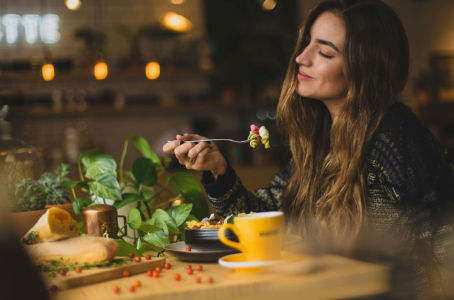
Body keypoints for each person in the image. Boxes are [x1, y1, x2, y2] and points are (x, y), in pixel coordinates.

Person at [163, 0, 454, 298]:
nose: (301, 58)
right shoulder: (320, 138)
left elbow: (446, 241)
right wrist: (218, 169)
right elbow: (267, 221)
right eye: (306, 44)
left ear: (365, 67)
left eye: (324, 52)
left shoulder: (395, 135)